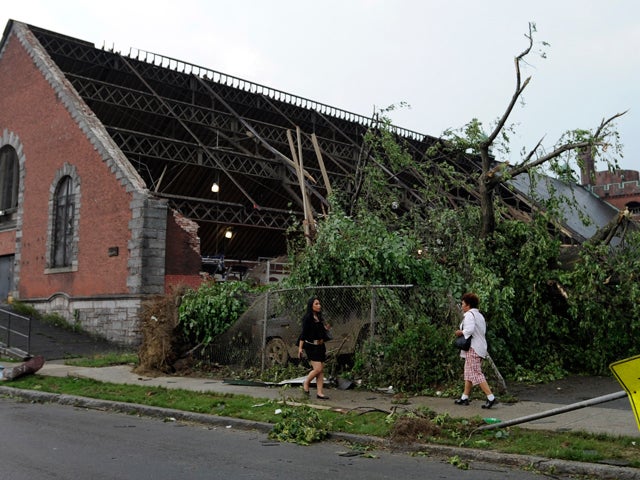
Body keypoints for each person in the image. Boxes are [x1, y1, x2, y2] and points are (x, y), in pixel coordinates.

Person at [454, 292, 497, 409]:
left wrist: (460, 332)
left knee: (476, 373)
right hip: (480, 347)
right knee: (468, 372)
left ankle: (490, 397)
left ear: (468, 305)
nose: (461, 306)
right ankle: (464, 397)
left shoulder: (469, 315)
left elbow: (469, 330)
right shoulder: (479, 315)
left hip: (473, 347)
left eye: (462, 303)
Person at [298, 296, 331, 400]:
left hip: (320, 346)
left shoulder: (319, 318)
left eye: (319, 304)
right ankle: (306, 382)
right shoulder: (307, 318)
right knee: (318, 368)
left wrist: (326, 329)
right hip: (311, 346)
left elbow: (320, 332)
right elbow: (303, 334)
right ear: (311, 306)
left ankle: (320, 393)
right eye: (316, 304)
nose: (319, 306)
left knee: (321, 371)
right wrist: (300, 348)